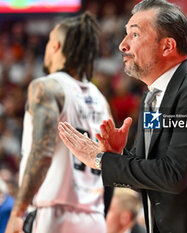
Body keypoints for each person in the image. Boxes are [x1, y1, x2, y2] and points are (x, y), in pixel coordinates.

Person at [58, 0, 187, 232]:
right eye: (125, 34)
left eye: (134, 35)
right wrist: (119, 155)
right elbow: (150, 172)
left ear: (167, 46)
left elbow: (174, 174)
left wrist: (100, 160)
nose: (122, 45)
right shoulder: (152, 97)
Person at [5, 12, 110, 233]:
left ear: (56, 46)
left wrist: (18, 211)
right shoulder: (100, 99)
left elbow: (42, 153)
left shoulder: (46, 87)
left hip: (55, 214)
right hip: (95, 217)